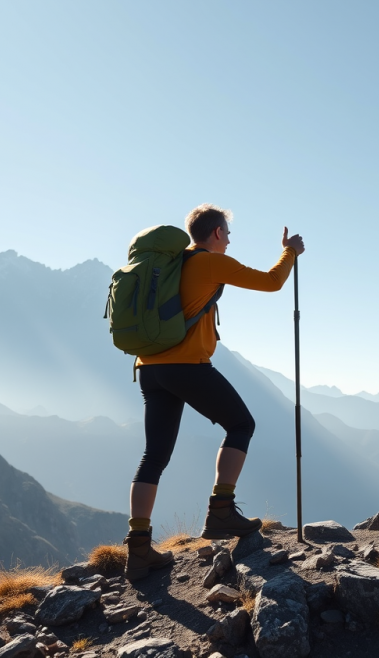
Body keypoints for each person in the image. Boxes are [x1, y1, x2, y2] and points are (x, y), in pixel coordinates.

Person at [123, 203, 305, 580]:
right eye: (228, 234)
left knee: (153, 456)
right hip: (186, 366)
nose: (229, 241)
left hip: (149, 368)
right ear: (218, 233)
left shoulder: (173, 266)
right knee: (241, 424)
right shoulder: (209, 262)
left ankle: (138, 550)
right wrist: (290, 252)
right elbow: (272, 282)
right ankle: (221, 509)